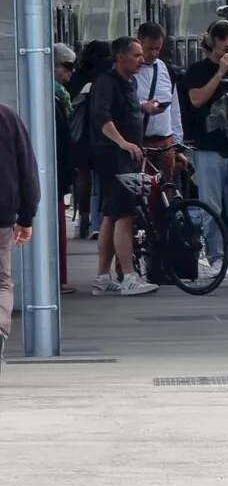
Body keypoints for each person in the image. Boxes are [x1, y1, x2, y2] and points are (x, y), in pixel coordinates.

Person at [89, 37, 158, 297]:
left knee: (110, 215)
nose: (142, 60)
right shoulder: (106, 82)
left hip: (123, 155)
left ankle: (103, 277)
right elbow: (101, 117)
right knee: (125, 214)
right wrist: (124, 143)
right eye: (137, 55)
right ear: (120, 57)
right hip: (113, 156)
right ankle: (128, 276)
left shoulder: (128, 83)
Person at [179, 20, 228, 276]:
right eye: (222, 39)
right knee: (212, 205)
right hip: (207, 148)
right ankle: (216, 256)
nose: (227, 44)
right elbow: (196, 100)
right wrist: (220, 73)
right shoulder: (197, 70)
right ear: (212, 41)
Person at [0, 102, 39, 371]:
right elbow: (27, 169)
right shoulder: (7, 116)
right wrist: (26, 217)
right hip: (2, 214)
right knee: (2, 281)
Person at [69, 40, 111, 240]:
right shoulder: (107, 78)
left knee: (85, 178)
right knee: (101, 180)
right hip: (102, 136)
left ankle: (85, 219)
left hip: (81, 138)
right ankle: (98, 220)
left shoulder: (76, 79)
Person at [134, 23, 186, 182]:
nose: (154, 54)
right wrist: (142, 107)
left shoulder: (163, 68)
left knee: (166, 193)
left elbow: (174, 108)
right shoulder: (130, 70)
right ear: (139, 43)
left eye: (158, 49)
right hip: (141, 143)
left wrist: (177, 144)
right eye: (150, 48)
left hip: (165, 142)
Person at [53, 43, 76, 295]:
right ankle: (58, 278)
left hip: (58, 171)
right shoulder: (53, 97)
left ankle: (60, 277)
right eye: (66, 67)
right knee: (56, 227)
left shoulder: (60, 96)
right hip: (55, 172)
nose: (71, 73)